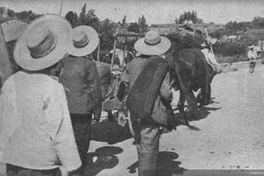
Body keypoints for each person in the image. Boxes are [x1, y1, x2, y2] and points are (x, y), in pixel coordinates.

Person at [0, 14, 81, 176]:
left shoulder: (11, 82)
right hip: (41, 165)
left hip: (13, 161)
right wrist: (73, 166)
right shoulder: (52, 87)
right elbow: (61, 133)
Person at [118, 30, 175, 176]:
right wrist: (169, 101)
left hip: (133, 110)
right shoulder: (161, 65)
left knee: (139, 142)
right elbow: (165, 93)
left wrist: (121, 110)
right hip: (151, 111)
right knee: (149, 146)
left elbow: (122, 88)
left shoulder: (131, 64)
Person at [60, 25, 102, 175]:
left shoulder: (63, 62)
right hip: (82, 110)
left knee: (66, 141)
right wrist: (97, 112)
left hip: (64, 108)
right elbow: (95, 90)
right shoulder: (88, 64)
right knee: (81, 143)